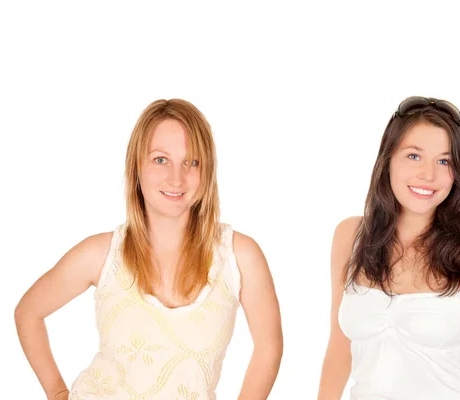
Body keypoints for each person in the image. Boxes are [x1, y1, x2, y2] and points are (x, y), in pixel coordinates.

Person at [15, 99, 283, 400]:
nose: (176, 178)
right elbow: (29, 311)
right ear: (136, 166)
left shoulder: (239, 257)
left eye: (192, 162)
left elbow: (268, 349)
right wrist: (57, 392)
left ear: (207, 171)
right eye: (160, 159)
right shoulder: (101, 254)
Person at [317, 97, 460, 400]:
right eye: (414, 156)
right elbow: (340, 345)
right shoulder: (350, 236)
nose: (428, 174)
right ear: (387, 159)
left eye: (444, 161)